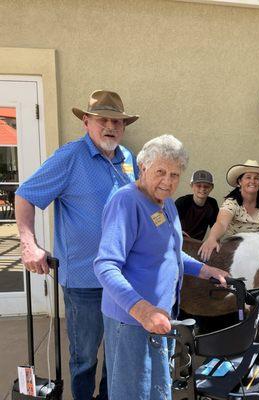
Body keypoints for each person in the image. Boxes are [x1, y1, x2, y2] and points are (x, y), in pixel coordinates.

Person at [15, 90, 139, 400]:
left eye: (117, 121)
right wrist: (29, 244)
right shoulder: (70, 157)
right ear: (86, 122)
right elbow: (25, 195)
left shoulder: (128, 159)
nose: (110, 126)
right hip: (85, 280)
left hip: (125, 279)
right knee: (85, 357)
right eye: (103, 120)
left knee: (118, 354)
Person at [93, 135, 228, 399]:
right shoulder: (127, 202)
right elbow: (105, 266)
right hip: (132, 321)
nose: (168, 181)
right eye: (161, 172)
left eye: (175, 175)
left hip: (160, 318)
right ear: (143, 167)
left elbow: (170, 252)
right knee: (133, 392)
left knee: (156, 388)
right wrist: (142, 310)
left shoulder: (166, 204)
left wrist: (204, 270)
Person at [198, 159, 259, 346]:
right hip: (237, 250)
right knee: (228, 286)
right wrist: (212, 238)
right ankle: (226, 335)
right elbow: (222, 223)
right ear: (239, 181)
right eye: (248, 177)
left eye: (256, 178)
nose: (252, 181)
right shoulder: (231, 202)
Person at [175, 169, 219, 240]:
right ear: (192, 185)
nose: (202, 189)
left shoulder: (212, 203)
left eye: (206, 186)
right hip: (178, 239)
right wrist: (177, 231)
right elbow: (169, 222)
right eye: (198, 185)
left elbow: (215, 226)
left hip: (196, 244)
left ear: (211, 188)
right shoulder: (182, 202)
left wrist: (214, 239)